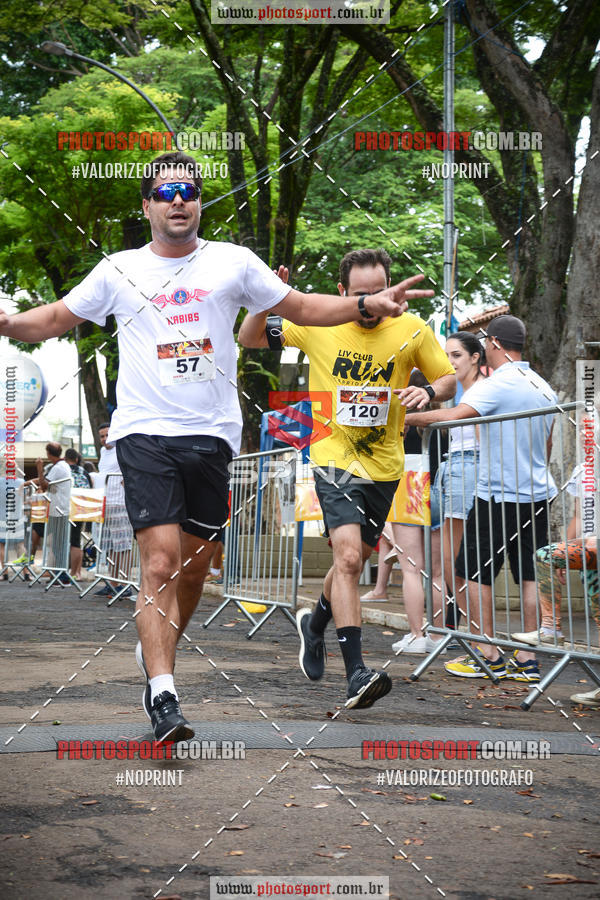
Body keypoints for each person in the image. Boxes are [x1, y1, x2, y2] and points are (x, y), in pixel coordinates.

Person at [0, 152, 433, 742]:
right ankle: (164, 696)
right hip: (145, 432)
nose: (179, 200)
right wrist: (7, 322)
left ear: (199, 203)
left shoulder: (234, 263)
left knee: (196, 567)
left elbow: (300, 306)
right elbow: (52, 318)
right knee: (157, 562)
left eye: (190, 191)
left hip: (212, 436)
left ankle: (157, 651)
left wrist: (364, 305)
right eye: (166, 191)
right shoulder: (118, 269)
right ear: (148, 205)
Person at [238, 248, 456, 708]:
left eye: (380, 292)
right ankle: (356, 672)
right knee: (350, 557)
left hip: (385, 464)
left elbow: (449, 378)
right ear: (343, 294)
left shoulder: (413, 330)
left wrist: (428, 389)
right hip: (333, 455)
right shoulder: (319, 323)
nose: (374, 302)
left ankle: (314, 624)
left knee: (348, 562)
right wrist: (264, 297)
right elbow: (250, 338)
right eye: (362, 295)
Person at [405, 315, 557, 683]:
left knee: (472, 571)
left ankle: (487, 652)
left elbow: (456, 416)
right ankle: (526, 658)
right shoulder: (543, 386)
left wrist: (408, 417)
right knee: (529, 575)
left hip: (498, 492)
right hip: (537, 492)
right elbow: (549, 445)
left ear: (495, 345)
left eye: (487, 341)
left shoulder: (499, 383)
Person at [435, 331, 487, 634]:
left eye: (456, 355)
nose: (450, 362)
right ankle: (478, 637)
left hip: (468, 469)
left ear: (475, 357)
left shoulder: (482, 391)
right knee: (451, 566)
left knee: (459, 565)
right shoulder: (459, 392)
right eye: (447, 356)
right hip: (453, 468)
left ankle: (482, 639)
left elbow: (484, 441)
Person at [94, 422, 133, 599]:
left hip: (120, 503)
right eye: (101, 436)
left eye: (107, 435)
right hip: (105, 504)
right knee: (110, 547)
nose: (104, 439)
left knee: (123, 546)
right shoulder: (103, 452)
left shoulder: (123, 448)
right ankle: (112, 583)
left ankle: (125, 584)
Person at [64, 448, 91, 580]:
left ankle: (66, 572)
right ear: (76, 459)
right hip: (81, 508)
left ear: (65, 459)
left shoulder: (64, 470)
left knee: (64, 541)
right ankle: (77, 573)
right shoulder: (84, 472)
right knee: (76, 542)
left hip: (66, 508)